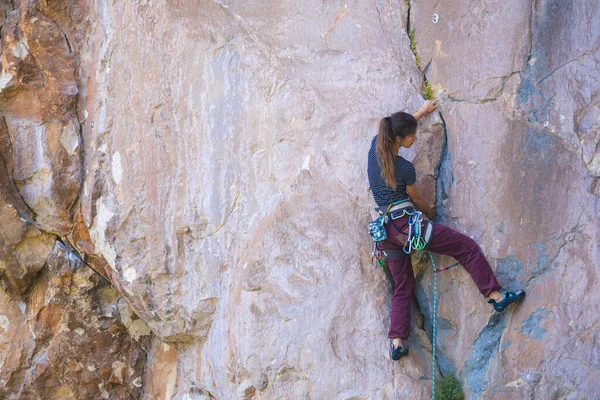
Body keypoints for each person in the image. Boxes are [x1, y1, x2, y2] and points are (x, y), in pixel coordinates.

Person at [367, 100, 525, 361]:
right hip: (409, 228)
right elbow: (417, 200)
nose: (415, 139)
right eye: (411, 136)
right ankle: (496, 295)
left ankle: (397, 343)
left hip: (386, 233)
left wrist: (421, 112)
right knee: (466, 247)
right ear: (398, 138)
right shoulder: (404, 168)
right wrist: (429, 212)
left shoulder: (375, 147)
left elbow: (397, 126)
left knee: (402, 286)